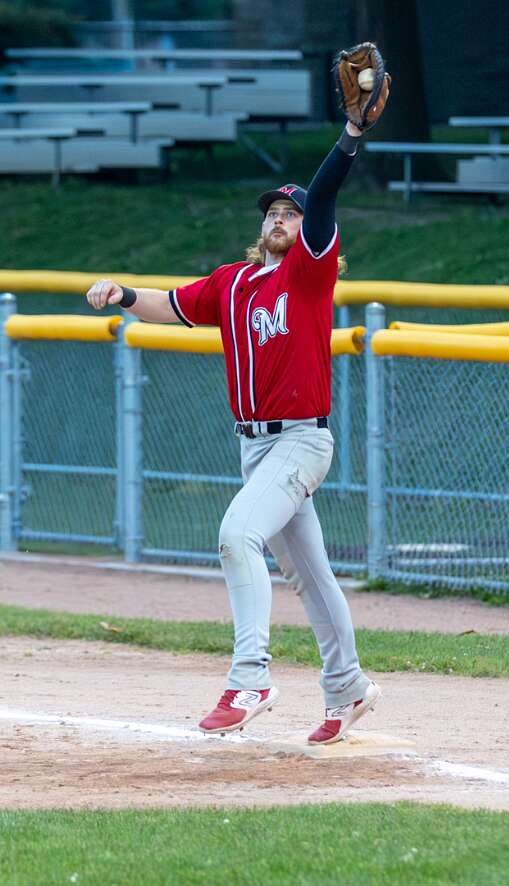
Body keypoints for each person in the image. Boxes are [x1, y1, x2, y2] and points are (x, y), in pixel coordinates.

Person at [84, 46, 391, 745]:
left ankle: (249, 678)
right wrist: (122, 293)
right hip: (255, 449)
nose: (281, 216)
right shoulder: (232, 283)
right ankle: (348, 687)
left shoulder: (308, 273)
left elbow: (326, 197)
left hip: (301, 440)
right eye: (274, 211)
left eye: (292, 212)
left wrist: (350, 135)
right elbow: (169, 304)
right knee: (309, 575)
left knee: (236, 535)